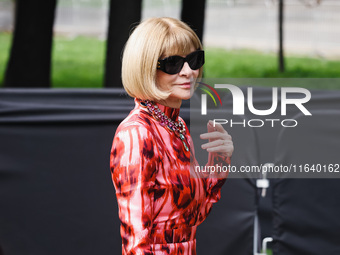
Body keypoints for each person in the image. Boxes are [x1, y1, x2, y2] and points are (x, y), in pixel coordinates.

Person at [110, 17, 234, 255]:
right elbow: (136, 240)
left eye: (194, 59)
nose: (189, 72)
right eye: (173, 64)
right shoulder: (137, 133)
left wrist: (219, 160)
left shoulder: (175, 125)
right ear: (145, 67)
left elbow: (193, 216)